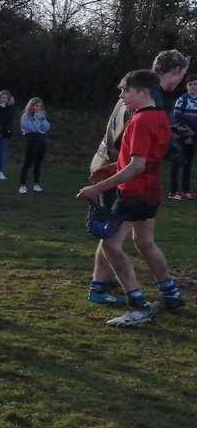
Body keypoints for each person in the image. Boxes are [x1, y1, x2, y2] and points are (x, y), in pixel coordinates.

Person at [77, 69, 185, 326]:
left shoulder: (139, 121)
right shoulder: (159, 116)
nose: (122, 95)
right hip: (152, 189)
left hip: (135, 192)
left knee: (110, 245)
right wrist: (112, 167)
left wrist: (98, 187)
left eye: (126, 90)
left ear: (144, 92)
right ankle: (171, 294)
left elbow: (136, 166)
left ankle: (138, 305)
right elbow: (145, 160)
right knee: (145, 242)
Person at [168, 73, 197, 199]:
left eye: (195, 84)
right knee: (178, 162)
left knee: (188, 163)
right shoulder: (182, 100)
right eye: (190, 84)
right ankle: (173, 192)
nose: (193, 87)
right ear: (186, 86)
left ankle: (186, 191)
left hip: (194, 135)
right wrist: (185, 134)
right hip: (181, 136)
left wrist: (193, 132)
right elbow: (175, 120)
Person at [17, 98, 50, 193]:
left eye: (40, 106)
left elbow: (46, 127)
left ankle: (36, 184)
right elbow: (33, 128)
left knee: (38, 164)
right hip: (31, 139)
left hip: (41, 139)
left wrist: (41, 118)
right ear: (31, 106)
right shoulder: (25, 116)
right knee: (27, 163)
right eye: (36, 106)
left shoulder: (41, 115)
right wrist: (36, 117)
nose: (38, 108)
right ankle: (22, 186)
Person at [0, 90, 16, 180]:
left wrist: (3, 109)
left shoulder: (11, 107)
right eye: (2, 98)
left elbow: (7, 119)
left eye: (6, 98)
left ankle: (1, 172)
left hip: (5, 133)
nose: (4, 99)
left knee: (1, 152)